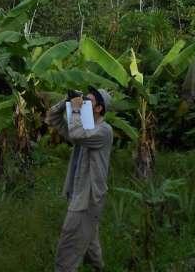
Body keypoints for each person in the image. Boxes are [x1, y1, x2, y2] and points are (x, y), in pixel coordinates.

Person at [45, 87, 114, 272]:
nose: (82, 103)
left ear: (99, 108)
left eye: (87, 101)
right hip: (77, 193)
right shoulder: (84, 127)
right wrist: (66, 101)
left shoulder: (103, 131)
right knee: (90, 242)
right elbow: (52, 118)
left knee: (67, 250)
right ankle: (98, 268)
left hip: (87, 198)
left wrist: (75, 110)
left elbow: (76, 135)